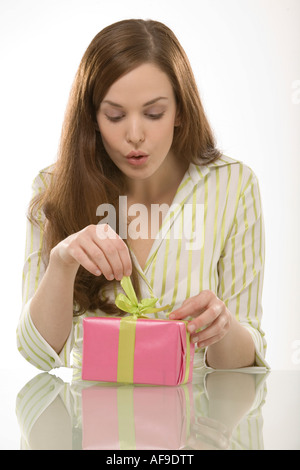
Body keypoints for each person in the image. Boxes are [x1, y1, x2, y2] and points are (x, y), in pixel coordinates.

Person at [17, 19, 268, 374]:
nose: (135, 135)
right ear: (92, 117)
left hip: (192, 423)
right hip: (89, 423)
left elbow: (244, 364)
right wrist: (63, 261)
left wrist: (222, 327)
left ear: (180, 110)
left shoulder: (234, 185)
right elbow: (37, 355)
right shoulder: (53, 187)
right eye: (115, 115)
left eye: (154, 113)